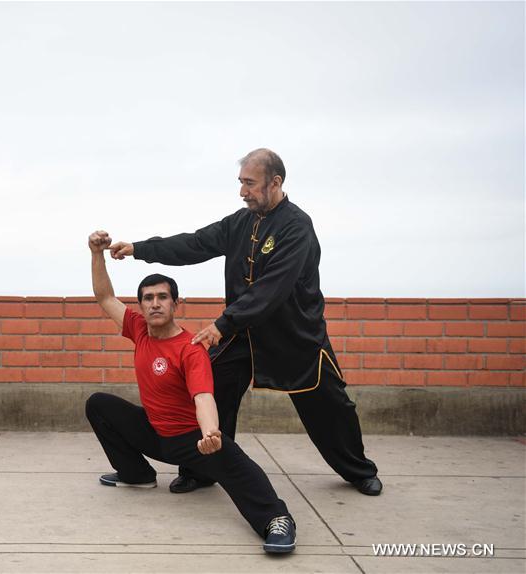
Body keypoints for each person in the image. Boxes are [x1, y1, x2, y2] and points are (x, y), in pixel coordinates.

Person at [108, 148, 382, 496]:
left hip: (294, 337)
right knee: (211, 390)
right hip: (241, 336)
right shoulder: (240, 223)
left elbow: (272, 288)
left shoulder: (297, 227)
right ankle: (201, 469)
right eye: (241, 183)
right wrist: (139, 248)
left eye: (250, 183)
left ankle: (359, 470)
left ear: (275, 182)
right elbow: (194, 243)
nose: (242, 192)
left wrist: (223, 324)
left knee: (329, 407)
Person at [84, 230, 296, 554]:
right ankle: (136, 474)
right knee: (98, 404)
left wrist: (210, 433)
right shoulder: (139, 330)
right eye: (148, 298)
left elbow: (203, 396)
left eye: (162, 297)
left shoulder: (190, 348)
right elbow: (105, 298)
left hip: (190, 442)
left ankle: (276, 519)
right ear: (141, 306)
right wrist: (96, 254)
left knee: (234, 461)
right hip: (154, 433)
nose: (155, 303)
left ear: (175, 303)